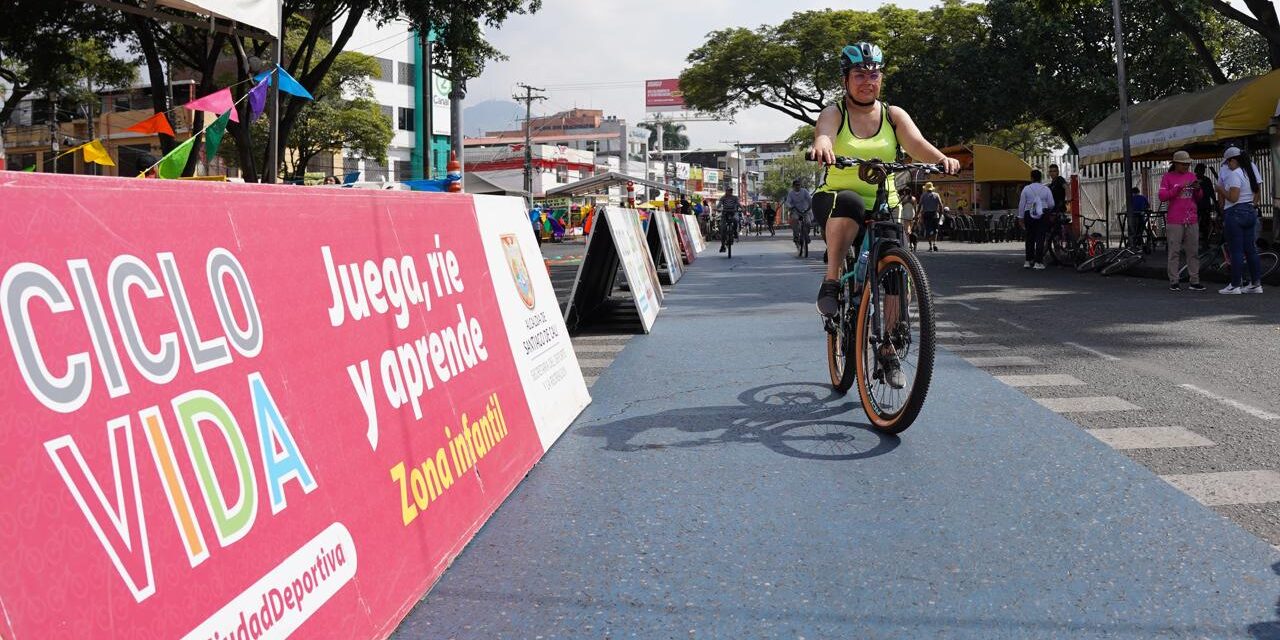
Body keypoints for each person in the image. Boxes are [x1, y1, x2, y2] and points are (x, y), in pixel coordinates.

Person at [810, 41, 960, 320]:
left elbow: (917, 144)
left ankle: (890, 350)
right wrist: (822, 146)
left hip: (883, 204)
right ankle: (831, 281)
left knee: (896, 275)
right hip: (835, 199)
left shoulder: (893, 115)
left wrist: (941, 159)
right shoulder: (835, 113)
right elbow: (824, 134)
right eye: (859, 75)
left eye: (874, 75)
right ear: (845, 79)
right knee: (850, 201)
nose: (868, 82)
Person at [1216, 146, 1264, 294]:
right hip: (1250, 211)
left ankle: (1235, 285)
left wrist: (1220, 189)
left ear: (1234, 160)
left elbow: (1233, 198)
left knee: (1236, 250)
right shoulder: (1248, 171)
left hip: (1235, 213)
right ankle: (1256, 284)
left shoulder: (1235, 174)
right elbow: (1256, 192)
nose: (1227, 165)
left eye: (1228, 162)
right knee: (1251, 250)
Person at [1159, 150, 1204, 291]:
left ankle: (1194, 280)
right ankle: (1174, 280)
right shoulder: (1168, 177)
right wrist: (1177, 189)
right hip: (1175, 220)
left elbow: (1199, 197)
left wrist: (1197, 189)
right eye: (1183, 164)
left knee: (1193, 251)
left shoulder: (1192, 176)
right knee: (1174, 251)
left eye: (1188, 164)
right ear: (1176, 164)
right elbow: (1162, 196)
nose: (1186, 166)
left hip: (1191, 218)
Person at [1017, 168, 1055, 269]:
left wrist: (1020, 218)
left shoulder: (1026, 189)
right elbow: (1051, 204)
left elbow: (1022, 204)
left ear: (1032, 178)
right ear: (1041, 178)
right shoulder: (1046, 189)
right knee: (1040, 237)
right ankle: (1038, 262)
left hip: (1028, 214)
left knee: (1029, 237)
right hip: (1043, 214)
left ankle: (1028, 261)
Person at [1193, 162, 1217, 246]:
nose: (1202, 171)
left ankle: (1206, 242)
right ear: (1196, 170)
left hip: (1205, 206)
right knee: (1194, 226)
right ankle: (1195, 243)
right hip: (1195, 207)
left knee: (1206, 225)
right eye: (1200, 170)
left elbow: (1212, 193)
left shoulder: (1207, 180)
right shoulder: (1193, 180)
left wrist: (1215, 202)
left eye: (1203, 170)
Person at [784, 179, 813, 243]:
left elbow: (809, 199)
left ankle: (806, 235)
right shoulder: (791, 193)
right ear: (793, 186)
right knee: (795, 219)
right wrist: (790, 207)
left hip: (805, 210)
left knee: (808, 223)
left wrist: (810, 206)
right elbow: (787, 202)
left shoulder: (804, 191)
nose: (798, 186)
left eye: (799, 185)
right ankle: (796, 236)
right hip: (796, 211)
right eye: (796, 185)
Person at [919, 182, 943, 251]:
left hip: (926, 214)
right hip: (935, 214)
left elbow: (920, 205)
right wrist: (941, 213)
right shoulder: (936, 195)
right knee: (935, 230)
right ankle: (935, 243)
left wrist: (917, 215)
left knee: (928, 230)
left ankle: (930, 245)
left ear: (926, 189)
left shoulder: (923, 195)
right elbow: (941, 205)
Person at [717, 187, 742, 253]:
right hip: (724, 213)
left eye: (731, 191)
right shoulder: (723, 198)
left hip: (733, 213)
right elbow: (719, 204)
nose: (729, 192)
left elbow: (738, 204)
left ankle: (735, 233)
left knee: (736, 221)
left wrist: (742, 208)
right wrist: (717, 208)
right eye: (728, 191)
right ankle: (722, 246)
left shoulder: (735, 198)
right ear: (726, 191)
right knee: (722, 229)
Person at [899, 187, 918, 251]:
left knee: (907, 231)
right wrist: (916, 216)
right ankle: (911, 244)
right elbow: (915, 208)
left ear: (905, 192)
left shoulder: (902, 198)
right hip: (912, 215)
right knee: (910, 230)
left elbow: (900, 205)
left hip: (905, 215)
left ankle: (909, 244)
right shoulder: (913, 198)